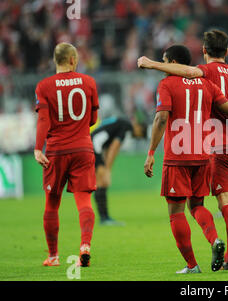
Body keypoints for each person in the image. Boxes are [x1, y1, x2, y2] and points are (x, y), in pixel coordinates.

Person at [138, 29, 228, 272]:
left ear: (204, 51)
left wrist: (151, 64)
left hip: (219, 146)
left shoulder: (205, 73)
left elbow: (188, 73)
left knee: (224, 203)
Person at [34, 42, 98, 267]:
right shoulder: (89, 82)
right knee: (84, 202)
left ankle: (53, 256)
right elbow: (93, 120)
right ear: (72, 60)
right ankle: (85, 245)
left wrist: (37, 148)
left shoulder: (43, 86)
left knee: (52, 204)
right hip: (83, 149)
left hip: (56, 151)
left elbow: (43, 119)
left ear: (55, 60)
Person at [91, 117, 147, 225]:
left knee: (101, 181)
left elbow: (108, 145)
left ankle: (104, 218)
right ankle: (104, 218)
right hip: (94, 145)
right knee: (103, 181)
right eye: (141, 133)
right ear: (138, 126)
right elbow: (114, 148)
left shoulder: (121, 122)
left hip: (93, 144)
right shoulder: (126, 126)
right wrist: (108, 169)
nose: (138, 136)